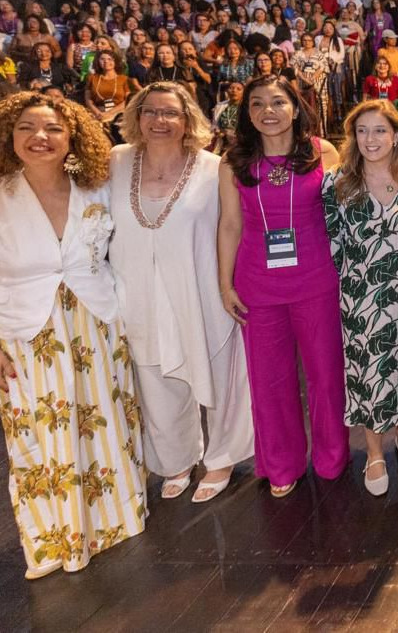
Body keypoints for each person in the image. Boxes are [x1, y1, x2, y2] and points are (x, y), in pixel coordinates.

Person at [0, 92, 146, 579]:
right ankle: (53, 538)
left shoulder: (96, 188)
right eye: (26, 127)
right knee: (39, 435)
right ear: (10, 135)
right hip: (25, 333)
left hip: (96, 325)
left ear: (72, 137)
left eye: (52, 129)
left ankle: (115, 520)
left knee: (104, 423)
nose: (39, 137)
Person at [108, 83, 254, 503]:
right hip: (136, 289)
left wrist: (229, 284)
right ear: (136, 117)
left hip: (202, 287)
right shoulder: (115, 162)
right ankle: (176, 460)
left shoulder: (214, 168)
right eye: (150, 112)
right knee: (154, 376)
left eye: (170, 113)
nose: (159, 121)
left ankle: (223, 457)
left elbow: (233, 226)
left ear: (188, 119)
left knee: (221, 374)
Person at [217, 74, 348, 497]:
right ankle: (281, 464)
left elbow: (349, 209)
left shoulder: (321, 152)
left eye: (277, 102)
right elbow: (230, 225)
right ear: (247, 113)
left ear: (295, 107)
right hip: (257, 285)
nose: (267, 112)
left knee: (326, 375)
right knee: (269, 381)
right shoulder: (234, 161)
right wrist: (225, 283)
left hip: (317, 279)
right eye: (257, 104)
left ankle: (332, 457)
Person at [323, 100, 398, 497]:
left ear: (396, 135)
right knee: (370, 374)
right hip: (362, 296)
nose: (371, 139)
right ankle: (373, 451)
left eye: (379, 130)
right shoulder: (337, 183)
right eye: (362, 131)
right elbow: (331, 243)